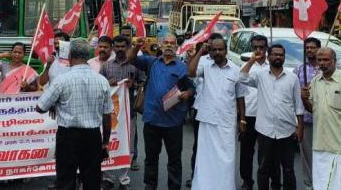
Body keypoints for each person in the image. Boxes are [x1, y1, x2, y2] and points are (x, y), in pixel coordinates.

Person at [35, 38, 112, 190]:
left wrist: (56, 103)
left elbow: (40, 107)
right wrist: (105, 142)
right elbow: (107, 115)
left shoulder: (61, 80)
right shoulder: (102, 81)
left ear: (70, 57)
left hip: (68, 136)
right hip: (92, 136)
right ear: (88, 56)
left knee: (66, 178)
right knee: (92, 179)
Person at [128, 36, 194, 190]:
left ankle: (174, 186)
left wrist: (187, 94)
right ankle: (150, 185)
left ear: (177, 47)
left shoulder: (182, 67)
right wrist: (137, 46)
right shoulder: (151, 62)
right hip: (152, 119)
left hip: (173, 122)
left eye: (172, 43)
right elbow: (131, 58)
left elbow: (191, 88)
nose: (169, 46)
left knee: (174, 159)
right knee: (151, 158)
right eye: (166, 43)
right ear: (161, 45)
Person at [239, 42, 303, 190]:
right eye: (275, 54)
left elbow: (298, 105)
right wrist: (252, 60)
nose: (278, 57)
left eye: (281, 54)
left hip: (286, 131)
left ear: (284, 57)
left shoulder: (292, 78)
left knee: (288, 169)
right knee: (263, 168)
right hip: (265, 130)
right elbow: (241, 78)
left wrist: (300, 128)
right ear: (269, 56)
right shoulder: (260, 75)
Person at [188, 38, 248, 190]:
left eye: (220, 49)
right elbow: (191, 72)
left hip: (226, 122)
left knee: (226, 159)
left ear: (226, 50)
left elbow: (240, 96)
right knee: (205, 158)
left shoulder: (236, 69)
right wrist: (200, 52)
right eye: (214, 50)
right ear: (210, 51)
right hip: (207, 120)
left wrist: (242, 120)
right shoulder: (205, 66)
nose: (217, 52)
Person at [299, 47, 341, 190]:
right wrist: (304, 99)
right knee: (321, 183)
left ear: (334, 61)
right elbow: (313, 109)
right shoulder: (315, 82)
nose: (322, 63)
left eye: (326, 60)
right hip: (320, 143)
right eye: (319, 60)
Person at [99, 35, 140, 189]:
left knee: (127, 146)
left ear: (128, 47)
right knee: (108, 144)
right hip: (109, 115)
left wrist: (134, 84)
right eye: (117, 46)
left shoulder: (134, 66)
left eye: (123, 46)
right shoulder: (106, 67)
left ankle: (124, 179)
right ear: (113, 48)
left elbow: (142, 82)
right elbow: (99, 88)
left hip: (129, 114)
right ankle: (108, 177)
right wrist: (107, 83)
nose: (120, 49)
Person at [235, 35, 269, 190]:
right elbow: (240, 81)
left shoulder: (272, 65)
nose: (258, 50)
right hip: (248, 115)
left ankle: (264, 182)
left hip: (267, 116)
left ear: (266, 48)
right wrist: (241, 118)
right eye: (255, 47)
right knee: (246, 152)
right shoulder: (246, 66)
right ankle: (247, 181)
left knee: (266, 153)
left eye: (262, 47)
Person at [293, 37, 319, 190]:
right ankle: (309, 185)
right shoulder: (299, 70)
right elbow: (295, 96)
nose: (309, 50)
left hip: (324, 120)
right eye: (307, 48)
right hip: (307, 120)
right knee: (307, 156)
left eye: (312, 47)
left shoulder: (325, 68)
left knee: (322, 155)